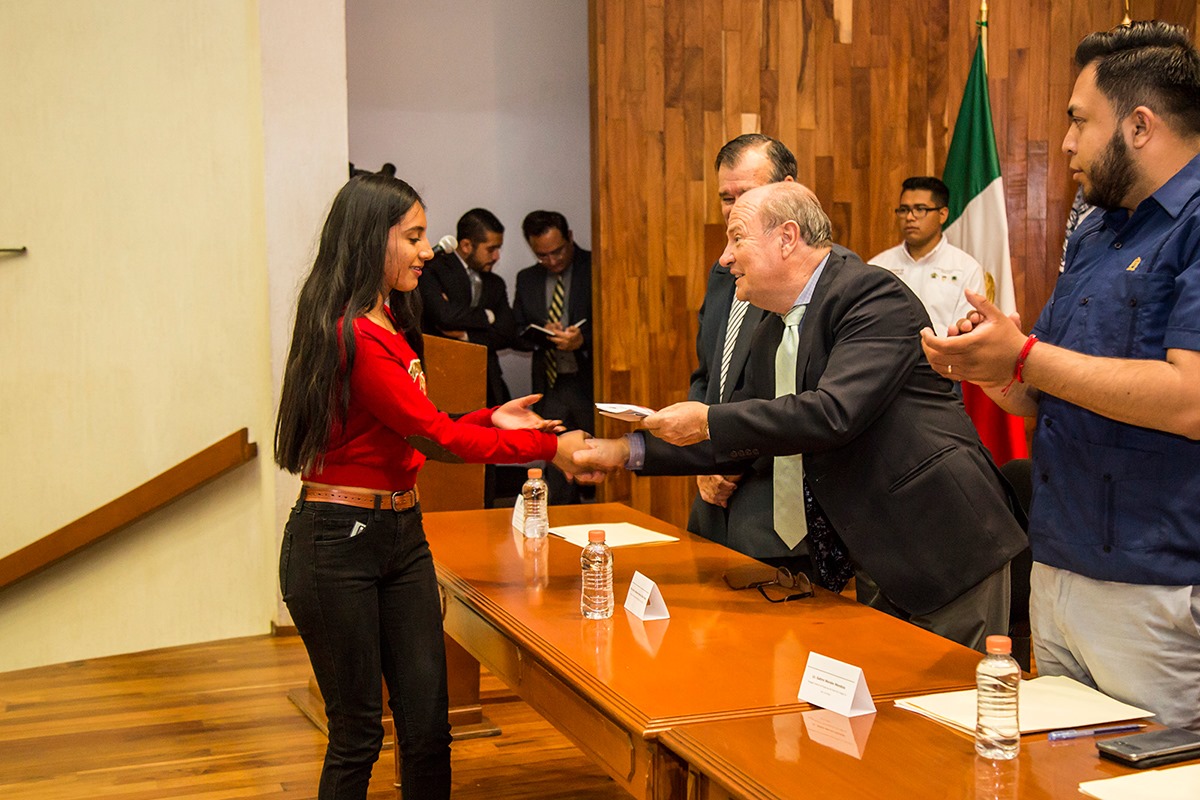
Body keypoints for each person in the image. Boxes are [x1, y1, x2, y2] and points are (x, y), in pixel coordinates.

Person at [576, 182, 1027, 651]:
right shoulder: (774, 325)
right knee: (894, 703)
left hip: (944, 538)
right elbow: (744, 430)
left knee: (955, 705)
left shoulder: (870, 294)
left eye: (737, 239)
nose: (725, 258)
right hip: (877, 549)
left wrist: (708, 420)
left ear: (787, 238)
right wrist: (626, 451)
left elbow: (833, 413)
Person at [920, 20, 1200, 730]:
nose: (1068, 143)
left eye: (1079, 122)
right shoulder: (1099, 231)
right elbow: (1050, 397)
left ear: (1139, 126)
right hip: (1059, 566)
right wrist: (987, 367)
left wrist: (1024, 355)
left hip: (1154, 588)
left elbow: (1191, 401)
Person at [274, 173, 588, 798]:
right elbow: (437, 441)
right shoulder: (355, 333)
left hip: (400, 534)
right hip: (338, 543)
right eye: (414, 236)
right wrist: (550, 447)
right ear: (371, 239)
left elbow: (416, 427)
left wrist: (487, 418)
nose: (427, 251)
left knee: (426, 727)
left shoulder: (386, 318)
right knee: (359, 733)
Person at [687, 134, 795, 554]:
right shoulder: (722, 273)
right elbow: (706, 377)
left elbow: (795, 396)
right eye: (725, 197)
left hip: (770, 500)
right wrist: (702, 459)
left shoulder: (799, 280)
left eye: (745, 195)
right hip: (711, 500)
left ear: (787, 190)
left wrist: (729, 462)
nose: (733, 209)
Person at [513, 210, 593, 504]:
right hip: (550, 386)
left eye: (557, 251)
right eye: (542, 255)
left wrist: (583, 339)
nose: (553, 260)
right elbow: (516, 330)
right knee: (557, 468)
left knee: (597, 456)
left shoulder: (595, 265)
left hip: (590, 382)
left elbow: (617, 322)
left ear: (570, 237)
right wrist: (541, 334)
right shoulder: (527, 279)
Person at [414, 207, 517, 408]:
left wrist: (464, 336)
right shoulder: (433, 269)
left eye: (499, 248)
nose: (496, 256)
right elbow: (444, 317)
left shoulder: (495, 282)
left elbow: (507, 332)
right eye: (491, 249)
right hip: (442, 378)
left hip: (489, 382)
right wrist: (487, 317)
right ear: (466, 245)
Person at [869, 176, 986, 336]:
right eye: (904, 210)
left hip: (946, 358)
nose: (910, 217)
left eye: (920, 209)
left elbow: (967, 331)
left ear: (943, 214)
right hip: (888, 358)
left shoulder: (966, 268)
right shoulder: (878, 266)